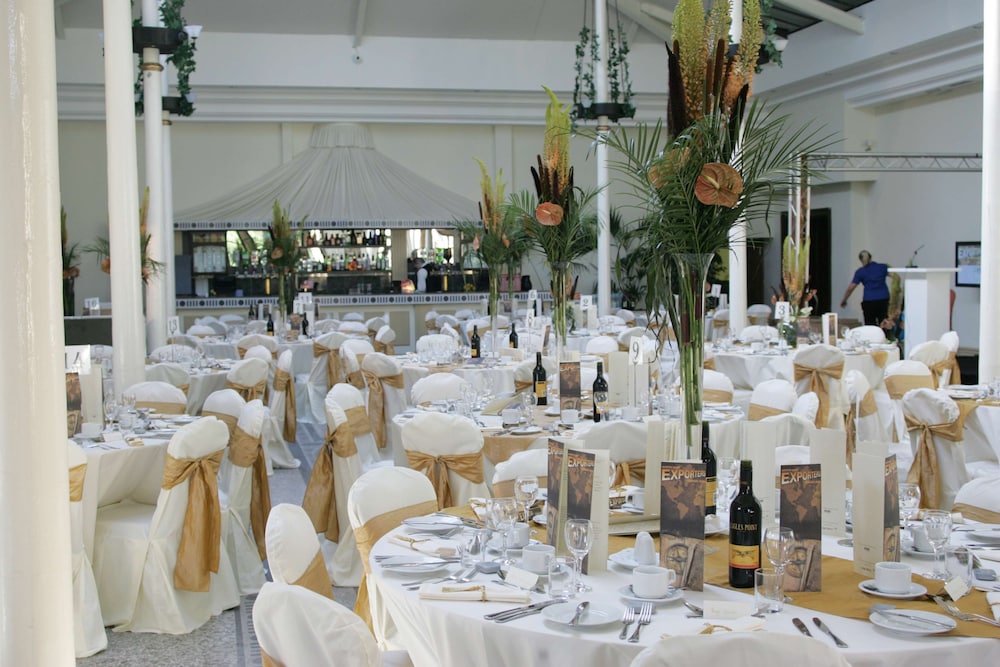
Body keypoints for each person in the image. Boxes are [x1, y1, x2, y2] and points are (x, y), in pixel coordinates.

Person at [840, 250, 889, 326]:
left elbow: (851, 288)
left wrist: (844, 300)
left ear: (860, 260)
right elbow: (895, 276)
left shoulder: (860, 272)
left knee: (870, 324)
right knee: (884, 323)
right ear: (871, 257)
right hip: (883, 299)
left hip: (869, 300)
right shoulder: (883, 267)